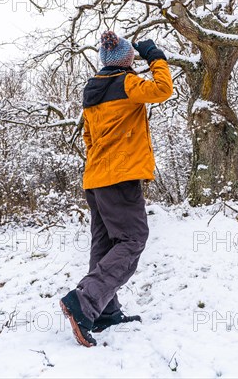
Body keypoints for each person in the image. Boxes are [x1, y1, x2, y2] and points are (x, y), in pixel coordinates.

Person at [60, 31, 173, 347]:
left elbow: (89, 139)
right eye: (133, 58)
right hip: (119, 179)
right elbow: (163, 88)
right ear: (126, 60)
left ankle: (105, 311)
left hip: (95, 179)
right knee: (134, 239)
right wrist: (155, 55)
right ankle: (86, 300)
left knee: (105, 243)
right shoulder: (126, 83)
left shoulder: (92, 90)